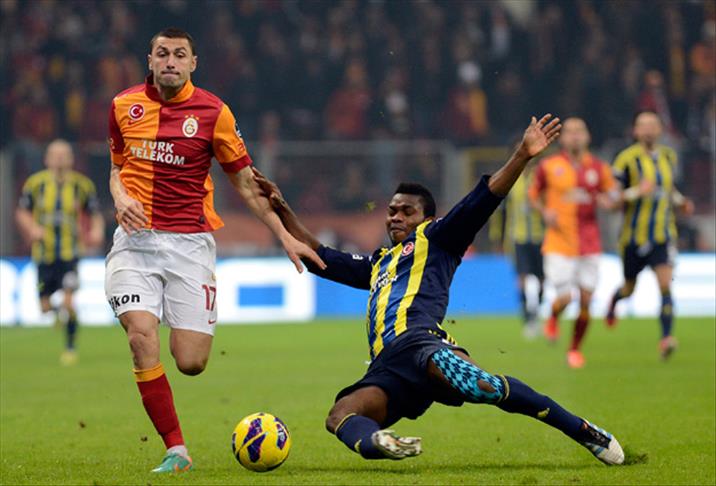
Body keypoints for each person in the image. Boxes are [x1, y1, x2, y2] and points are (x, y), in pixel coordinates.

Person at [253, 115, 625, 465]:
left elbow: (481, 200)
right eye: (392, 210)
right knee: (339, 416)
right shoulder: (378, 263)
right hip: (387, 367)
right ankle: (379, 442)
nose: (395, 217)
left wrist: (522, 156)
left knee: (483, 386)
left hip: (421, 345)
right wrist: (281, 208)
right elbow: (320, 257)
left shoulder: (437, 238)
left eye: (406, 211)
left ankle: (584, 431)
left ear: (426, 218)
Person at [104, 28, 324, 473]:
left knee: (191, 362)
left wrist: (283, 235)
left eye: (178, 54)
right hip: (135, 243)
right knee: (141, 336)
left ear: (193, 63)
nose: (170, 61)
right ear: (150, 60)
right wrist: (120, 196)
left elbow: (246, 183)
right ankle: (176, 450)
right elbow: (116, 168)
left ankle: (177, 393)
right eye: (162, 53)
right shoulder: (123, 106)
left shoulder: (213, 112)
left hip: (190, 245)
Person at [528, 118, 618, 368]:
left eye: (580, 131)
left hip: (590, 243)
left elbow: (613, 196)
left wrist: (610, 202)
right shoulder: (549, 166)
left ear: (588, 136)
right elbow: (533, 195)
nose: (575, 136)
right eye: (570, 132)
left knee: (587, 300)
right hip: (559, 242)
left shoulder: (599, 168)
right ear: (563, 138)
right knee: (566, 298)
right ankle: (553, 315)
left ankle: (575, 349)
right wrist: (544, 211)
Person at [605, 111, 694, 360]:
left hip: (662, 235)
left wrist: (681, 202)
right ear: (635, 131)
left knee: (665, 284)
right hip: (633, 238)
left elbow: (668, 189)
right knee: (629, 289)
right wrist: (636, 191)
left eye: (652, 125)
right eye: (642, 125)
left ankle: (666, 338)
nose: (647, 130)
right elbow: (612, 200)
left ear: (660, 130)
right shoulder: (625, 159)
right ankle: (615, 300)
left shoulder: (668, 156)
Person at [15, 139, 104, 365]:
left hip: (70, 254)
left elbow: (94, 213)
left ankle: (70, 347)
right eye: (55, 155)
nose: (60, 159)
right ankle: (55, 315)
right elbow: (22, 212)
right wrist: (32, 228)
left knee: (68, 301)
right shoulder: (35, 184)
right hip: (43, 255)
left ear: (71, 159)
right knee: (44, 307)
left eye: (64, 154)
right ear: (47, 159)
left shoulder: (82, 185)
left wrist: (96, 230)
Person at [489, 163, 545, 338]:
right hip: (518, 237)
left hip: (540, 236)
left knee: (542, 279)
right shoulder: (513, 180)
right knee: (522, 277)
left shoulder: (541, 176)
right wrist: (497, 237)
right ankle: (527, 317)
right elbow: (501, 211)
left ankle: (537, 313)